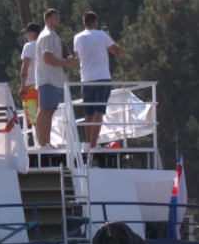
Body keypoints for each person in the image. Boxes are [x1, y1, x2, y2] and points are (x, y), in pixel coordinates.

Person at [73, 11, 121, 150]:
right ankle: (94, 144)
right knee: (99, 112)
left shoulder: (77, 38)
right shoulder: (102, 35)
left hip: (86, 79)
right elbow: (117, 51)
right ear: (96, 22)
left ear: (84, 23)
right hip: (102, 78)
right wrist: (109, 36)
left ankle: (88, 143)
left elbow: (78, 56)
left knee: (88, 113)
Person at [34, 9, 79, 150]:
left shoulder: (52, 35)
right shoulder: (48, 36)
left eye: (58, 18)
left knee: (50, 110)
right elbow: (47, 58)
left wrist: (66, 61)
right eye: (54, 18)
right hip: (48, 79)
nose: (57, 21)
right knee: (45, 110)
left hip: (54, 80)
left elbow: (53, 58)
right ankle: (44, 144)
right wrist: (66, 63)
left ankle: (45, 143)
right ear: (47, 20)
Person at [18, 22, 43, 127]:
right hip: (43, 85)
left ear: (33, 33)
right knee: (43, 115)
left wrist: (22, 86)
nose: (26, 36)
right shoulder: (44, 45)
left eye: (27, 33)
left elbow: (25, 67)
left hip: (30, 87)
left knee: (34, 119)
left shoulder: (28, 46)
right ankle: (46, 141)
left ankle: (39, 141)